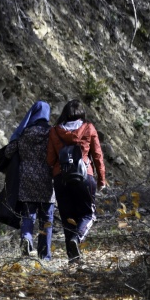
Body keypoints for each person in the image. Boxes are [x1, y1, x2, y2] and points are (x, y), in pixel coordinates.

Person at [47, 99, 106, 264]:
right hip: (84, 176)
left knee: (67, 218)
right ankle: (77, 238)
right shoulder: (88, 128)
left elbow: (50, 159)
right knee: (88, 214)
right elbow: (97, 156)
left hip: (61, 178)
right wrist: (101, 179)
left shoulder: (54, 131)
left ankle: (73, 259)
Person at [2, 100, 55, 259]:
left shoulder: (24, 133)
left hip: (26, 179)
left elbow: (8, 152)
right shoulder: (52, 134)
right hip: (47, 180)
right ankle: (44, 254)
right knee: (46, 218)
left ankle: (27, 237)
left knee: (28, 214)